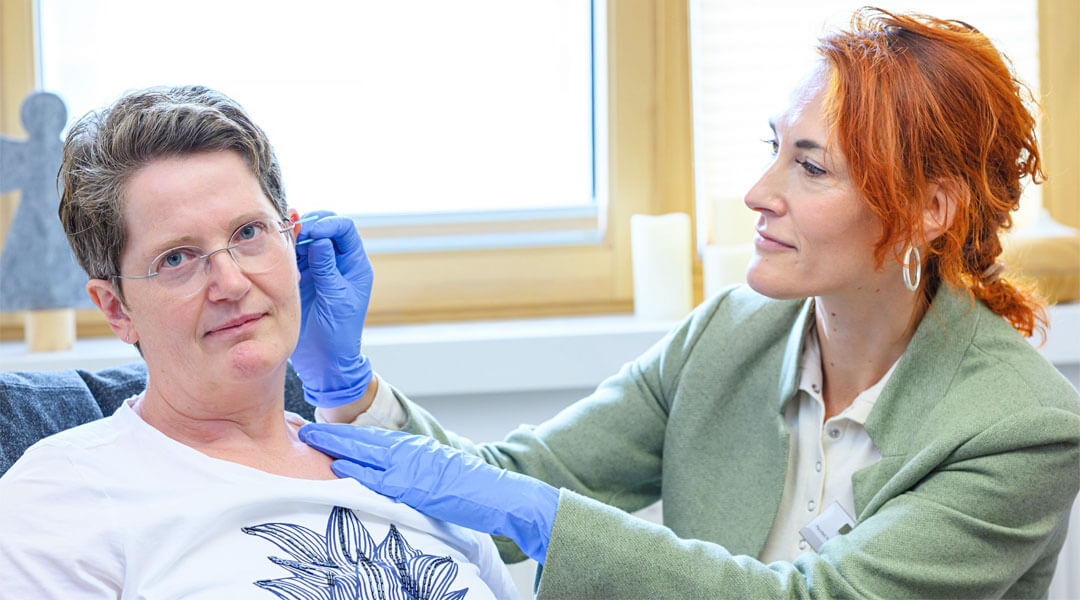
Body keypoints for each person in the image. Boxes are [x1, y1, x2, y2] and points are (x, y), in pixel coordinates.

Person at [291, 9, 1080, 598]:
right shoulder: (727, 336)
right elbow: (513, 479)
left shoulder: (1020, 428)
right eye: (774, 149)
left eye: (811, 168)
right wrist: (345, 388)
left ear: (930, 208)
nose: (758, 193)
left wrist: (542, 514)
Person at [0, 86, 519, 599]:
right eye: (177, 258)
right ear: (116, 308)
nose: (231, 283)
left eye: (248, 233)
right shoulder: (61, 501)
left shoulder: (413, 476)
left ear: (292, 243)